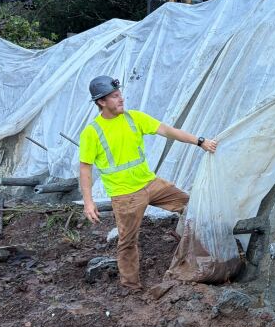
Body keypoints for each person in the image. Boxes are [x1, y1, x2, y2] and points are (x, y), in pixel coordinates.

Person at [78, 75, 217, 292]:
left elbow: (169, 131)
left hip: (150, 183)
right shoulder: (92, 132)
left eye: (120, 94)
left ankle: (199, 255)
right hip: (125, 195)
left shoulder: (134, 118)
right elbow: (85, 168)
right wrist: (88, 202)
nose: (121, 99)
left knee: (192, 206)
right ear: (101, 102)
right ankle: (131, 288)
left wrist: (200, 142)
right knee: (127, 242)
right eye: (114, 96)